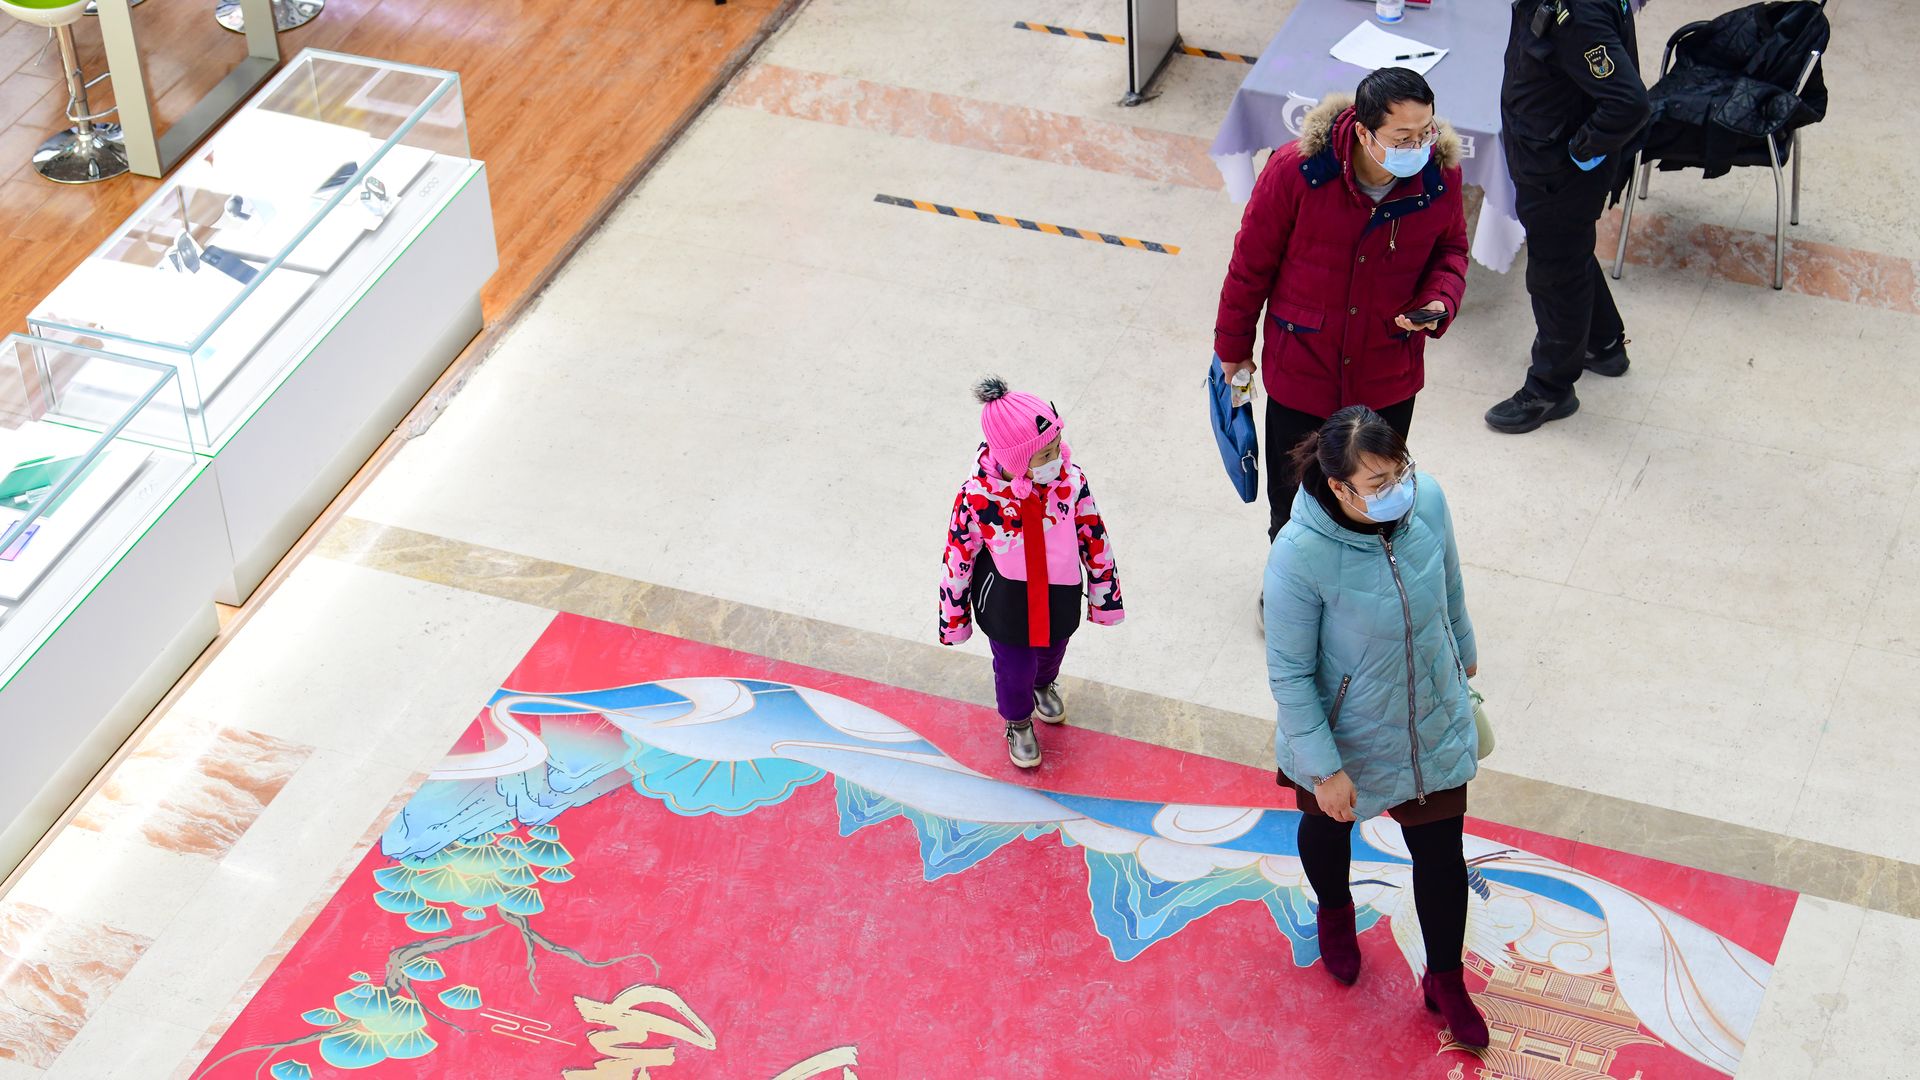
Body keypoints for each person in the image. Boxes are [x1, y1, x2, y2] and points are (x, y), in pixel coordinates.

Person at [1263, 406, 1486, 1048]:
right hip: (1344, 732)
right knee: (1327, 829)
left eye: (1401, 472)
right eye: (1379, 483)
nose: (1399, 490)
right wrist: (1324, 768)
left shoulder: (1428, 500)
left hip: (1428, 715)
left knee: (1442, 855)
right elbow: (1290, 673)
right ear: (1339, 486)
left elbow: (1448, 580)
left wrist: (1463, 649)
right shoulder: (1298, 553)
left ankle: (1446, 979)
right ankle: (1335, 914)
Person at [1213, 67, 1469, 552]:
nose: (1419, 146)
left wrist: (1440, 299)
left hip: (1387, 373)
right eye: (1403, 137)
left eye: (1426, 131)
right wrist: (1233, 349)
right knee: (1292, 504)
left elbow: (1451, 250)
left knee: (1375, 499)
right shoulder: (1295, 171)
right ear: (1364, 133)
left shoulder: (1439, 176)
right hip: (1302, 370)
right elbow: (1250, 266)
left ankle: (1364, 584)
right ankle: (1290, 586)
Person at [937, 378, 1124, 769]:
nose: (1059, 458)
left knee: (1054, 650)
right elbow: (957, 557)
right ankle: (1018, 721)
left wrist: (1105, 597)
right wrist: (954, 620)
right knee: (1013, 668)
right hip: (1008, 602)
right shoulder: (977, 498)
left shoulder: (1070, 482)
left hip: (1059, 593)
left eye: (1058, 446)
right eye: (1046, 455)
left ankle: (1044, 684)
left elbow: (1094, 536)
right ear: (1015, 461)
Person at [1486, 0, 1651, 434]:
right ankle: (1604, 343)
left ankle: (1550, 388)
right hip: (1543, 150)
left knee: (1553, 275)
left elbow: (1629, 103)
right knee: (1568, 250)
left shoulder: (1576, 12)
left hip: (1558, 171)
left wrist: (1582, 148)